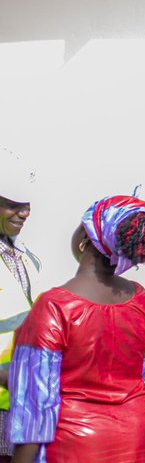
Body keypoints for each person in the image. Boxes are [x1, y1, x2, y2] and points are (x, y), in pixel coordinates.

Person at [9, 195, 145, 463]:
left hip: (72, 445)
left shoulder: (54, 306)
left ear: (85, 238)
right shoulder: (142, 300)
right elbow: (142, 366)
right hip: (136, 436)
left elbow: (35, 405)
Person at [0, 149, 39, 463]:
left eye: (26, 205)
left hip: (20, 399)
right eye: (13, 204)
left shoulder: (27, 257)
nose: (24, 213)